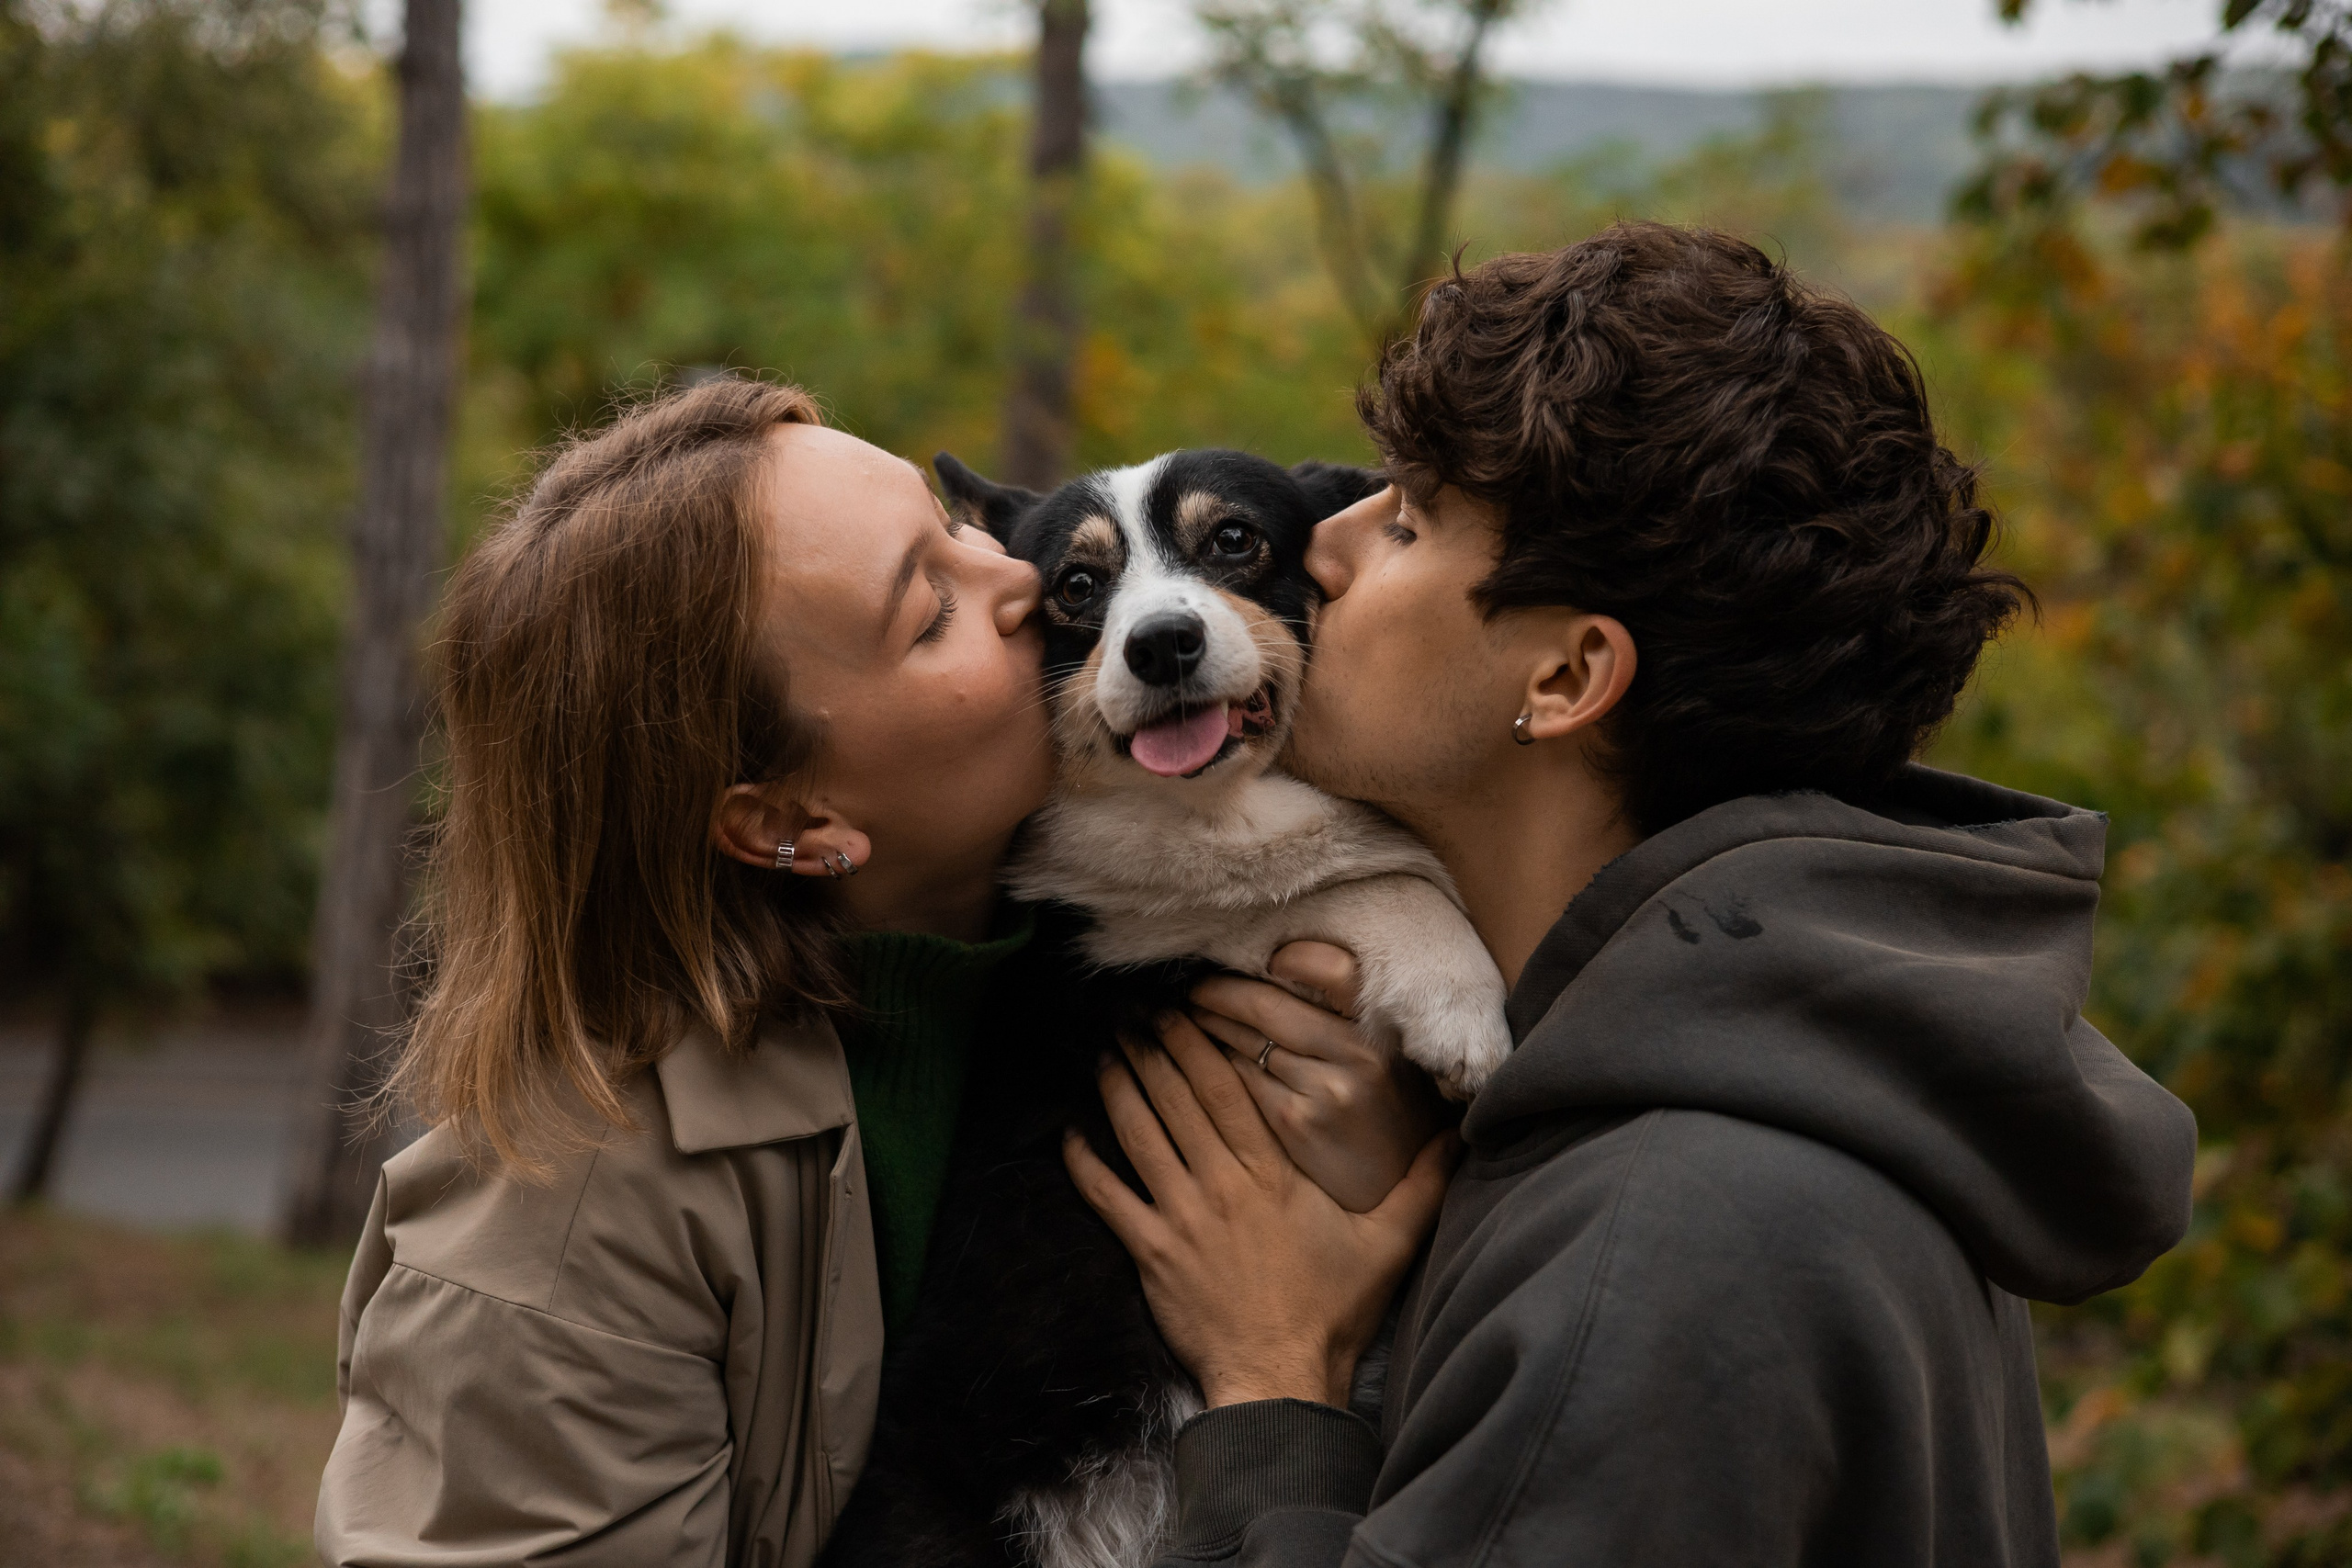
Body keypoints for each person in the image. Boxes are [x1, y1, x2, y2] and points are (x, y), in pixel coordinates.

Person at [1064, 221, 2200, 1566]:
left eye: (1412, 519)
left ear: (1562, 679)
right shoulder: (1807, 1063)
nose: (1325, 542)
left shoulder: (1664, 1242)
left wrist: (1273, 1387)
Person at [311, 378, 1434, 1567]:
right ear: (788, 817)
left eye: (952, 526)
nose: (1017, 572)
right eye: (930, 606)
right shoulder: (560, 1226)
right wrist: (1273, 1365)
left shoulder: (1099, 950)